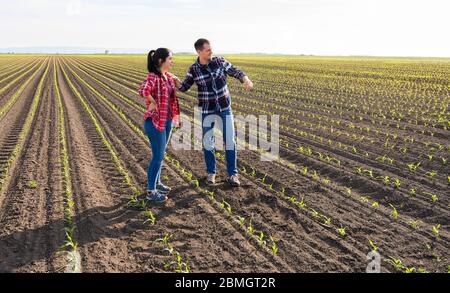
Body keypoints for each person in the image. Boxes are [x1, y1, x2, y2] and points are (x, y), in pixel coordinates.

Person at [173, 38, 254, 187]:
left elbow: (236, 71)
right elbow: (184, 87)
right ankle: (211, 173)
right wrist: (174, 80)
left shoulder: (219, 62)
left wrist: (246, 80)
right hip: (207, 110)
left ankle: (233, 174)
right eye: (208, 50)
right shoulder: (194, 69)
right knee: (208, 142)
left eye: (211, 49)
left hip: (224, 108)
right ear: (199, 51)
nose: (212, 51)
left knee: (230, 141)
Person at [138, 48, 181, 203]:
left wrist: (176, 80)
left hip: (167, 119)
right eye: (170, 58)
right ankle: (151, 191)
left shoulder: (167, 77)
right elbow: (143, 90)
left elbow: (177, 86)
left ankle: (157, 183)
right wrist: (153, 102)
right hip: (155, 121)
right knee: (158, 156)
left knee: (161, 154)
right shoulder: (153, 77)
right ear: (161, 61)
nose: (172, 61)